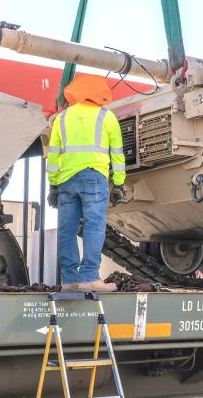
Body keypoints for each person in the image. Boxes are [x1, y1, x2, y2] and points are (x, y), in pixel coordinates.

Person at [46, 75, 126, 292]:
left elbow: (53, 155)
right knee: (93, 226)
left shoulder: (61, 118)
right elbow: (117, 154)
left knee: (67, 230)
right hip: (94, 177)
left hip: (66, 181)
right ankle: (89, 277)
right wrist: (118, 183)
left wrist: (53, 185)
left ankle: (70, 280)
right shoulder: (107, 117)